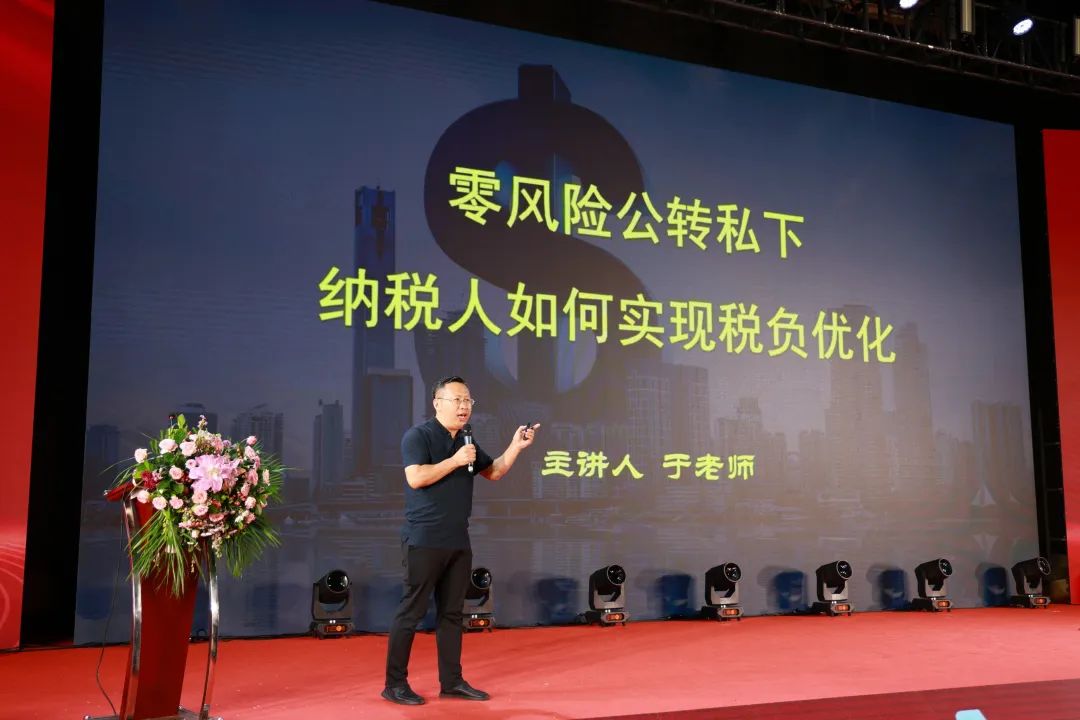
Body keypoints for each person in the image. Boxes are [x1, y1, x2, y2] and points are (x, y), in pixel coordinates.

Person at [382, 375, 539, 705]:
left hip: (458, 540)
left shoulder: (467, 440)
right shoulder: (418, 436)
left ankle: (451, 682)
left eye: (468, 400)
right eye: (457, 400)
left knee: (452, 614)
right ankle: (394, 684)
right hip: (424, 538)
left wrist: (515, 446)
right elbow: (415, 478)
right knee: (411, 612)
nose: (464, 406)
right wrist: (454, 461)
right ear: (437, 403)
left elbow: (494, 472)